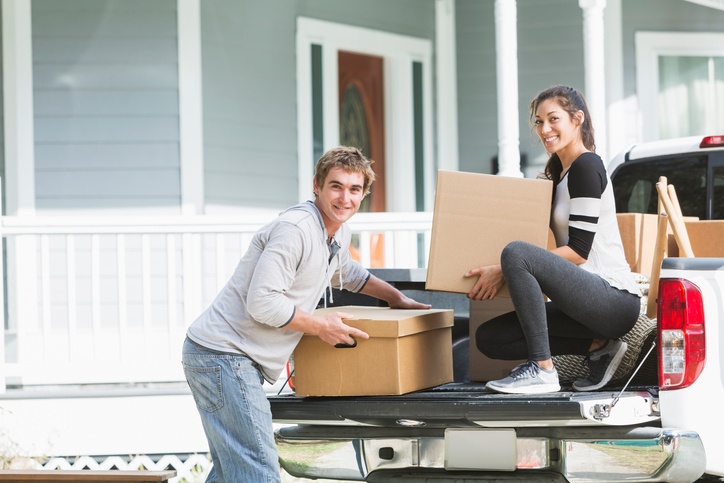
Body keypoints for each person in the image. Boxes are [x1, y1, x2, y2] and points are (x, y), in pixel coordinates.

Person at [181, 145, 431, 482]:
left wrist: (397, 298)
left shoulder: (335, 229)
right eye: (336, 186)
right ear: (317, 185)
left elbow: (349, 273)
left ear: (364, 194)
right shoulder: (295, 229)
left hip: (228, 356)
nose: (345, 198)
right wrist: (318, 326)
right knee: (259, 469)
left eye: (354, 189)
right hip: (224, 355)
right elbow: (263, 302)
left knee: (234, 471)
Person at [465, 85, 641, 395]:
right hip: (582, 303)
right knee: (489, 338)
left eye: (553, 119)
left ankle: (542, 370)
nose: (544, 129)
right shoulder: (559, 174)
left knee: (517, 252)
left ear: (577, 119)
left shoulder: (588, 165)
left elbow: (579, 251)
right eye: (538, 121)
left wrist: (506, 267)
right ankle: (598, 347)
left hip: (612, 299)